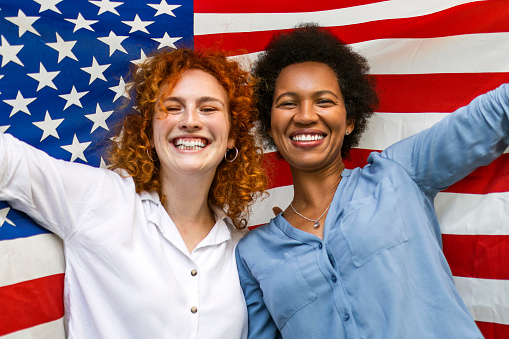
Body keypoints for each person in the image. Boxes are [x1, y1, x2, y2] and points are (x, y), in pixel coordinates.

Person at [235, 23, 508, 338]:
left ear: (349, 120)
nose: (306, 115)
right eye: (288, 103)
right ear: (270, 125)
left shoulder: (398, 174)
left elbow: (494, 114)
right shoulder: (253, 255)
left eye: (324, 101)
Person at [0, 48, 267, 338]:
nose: (190, 120)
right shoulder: (102, 201)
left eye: (208, 108)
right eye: (173, 107)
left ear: (231, 137)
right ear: (149, 133)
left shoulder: (243, 249)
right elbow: (10, 162)